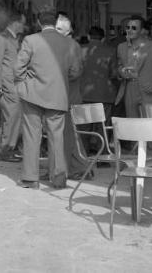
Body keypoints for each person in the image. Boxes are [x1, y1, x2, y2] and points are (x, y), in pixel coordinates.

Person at [14, 7, 82, 189]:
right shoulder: (71, 44)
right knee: (57, 138)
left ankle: (30, 178)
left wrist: (24, 85)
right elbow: (75, 72)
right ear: (55, 23)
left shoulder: (31, 40)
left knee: (31, 136)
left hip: (32, 95)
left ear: (39, 23)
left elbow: (18, 69)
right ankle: (58, 179)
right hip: (58, 96)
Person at [115, 14, 152, 118]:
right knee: (132, 125)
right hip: (129, 88)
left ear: (142, 30)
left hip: (148, 89)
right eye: (128, 27)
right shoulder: (121, 47)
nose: (130, 30)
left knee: (150, 124)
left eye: (134, 28)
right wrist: (121, 72)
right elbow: (119, 66)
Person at [56, 13, 89, 180]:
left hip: (69, 96)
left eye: (61, 29)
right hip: (61, 96)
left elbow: (76, 71)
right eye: (57, 28)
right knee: (63, 135)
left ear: (69, 32)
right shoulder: (60, 44)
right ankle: (71, 168)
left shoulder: (71, 45)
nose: (58, 32)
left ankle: (81, 168)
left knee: (69, 134)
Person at [0, 10, 26, 162]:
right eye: (23, 23)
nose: (24, 26)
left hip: (16, 85)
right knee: (11, 118)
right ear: (16, 23)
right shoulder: (2, 39)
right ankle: (6, 150)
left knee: (16, 118)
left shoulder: (15, 39)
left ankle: (11, 148)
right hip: (8, 86)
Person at [80, 26, 118, 121]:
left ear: (88, 37)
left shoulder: (80, 50)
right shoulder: (111, 51)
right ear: (103, 38)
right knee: (102, 130)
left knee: (84, 129)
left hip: (83, 95)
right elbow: (114, 74)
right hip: (105, 95)